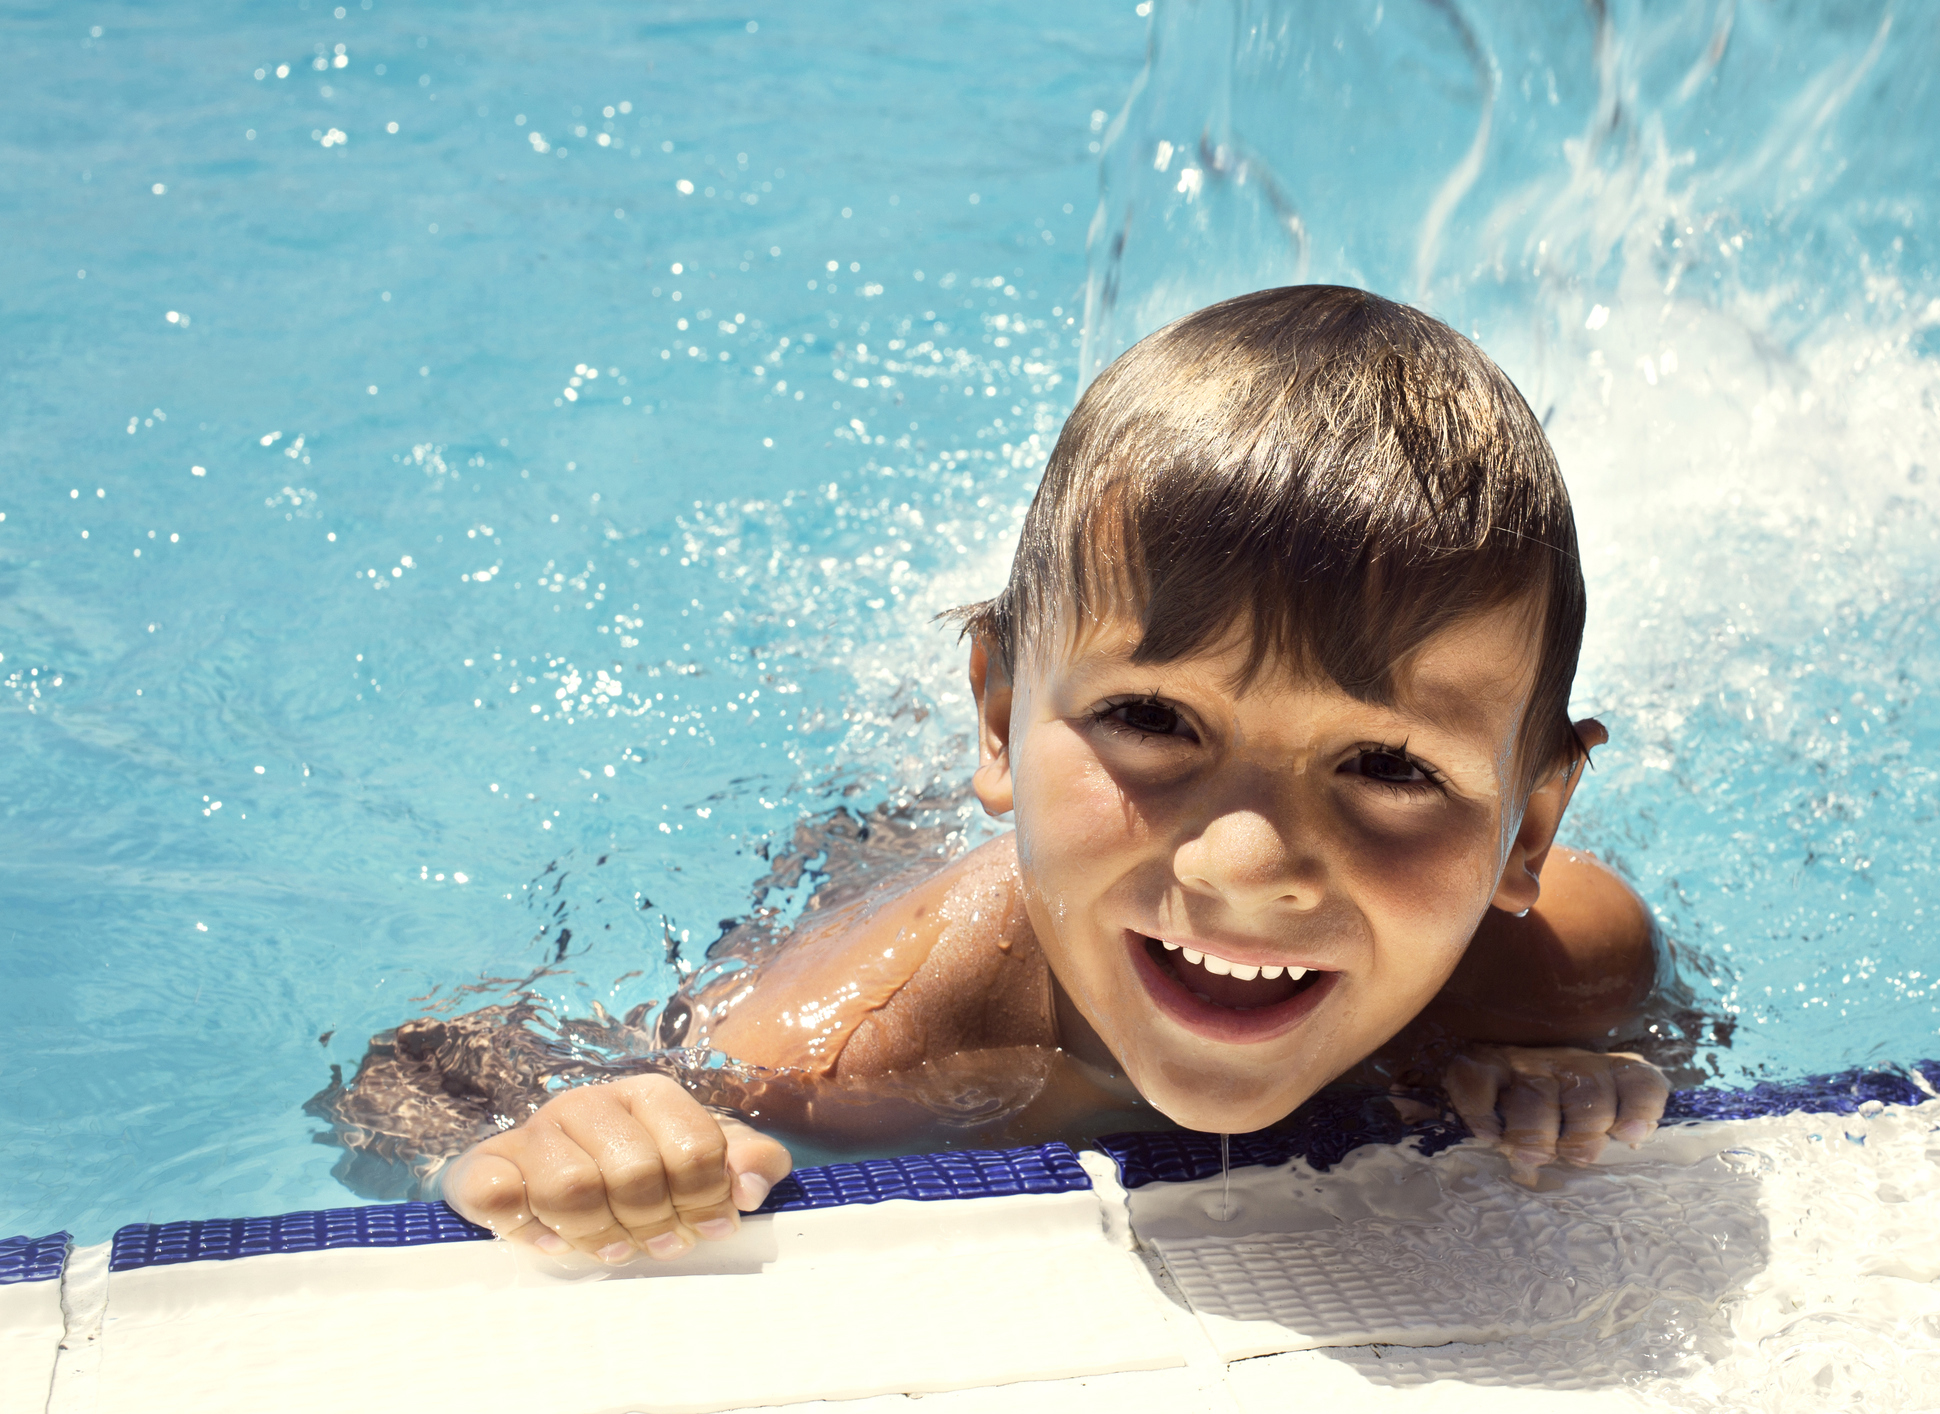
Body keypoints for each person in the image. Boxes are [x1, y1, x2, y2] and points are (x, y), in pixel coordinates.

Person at [441, 285, 1669, 1266]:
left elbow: (1659, 1045)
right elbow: (437, 1067)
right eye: (1152, 719)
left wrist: (1563, 1070)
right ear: (995, 720)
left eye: (1390, 765)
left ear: (1530, 826)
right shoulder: (865, 1039)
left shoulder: (1568, 966)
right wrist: (557, 1135)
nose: (1245, 865)